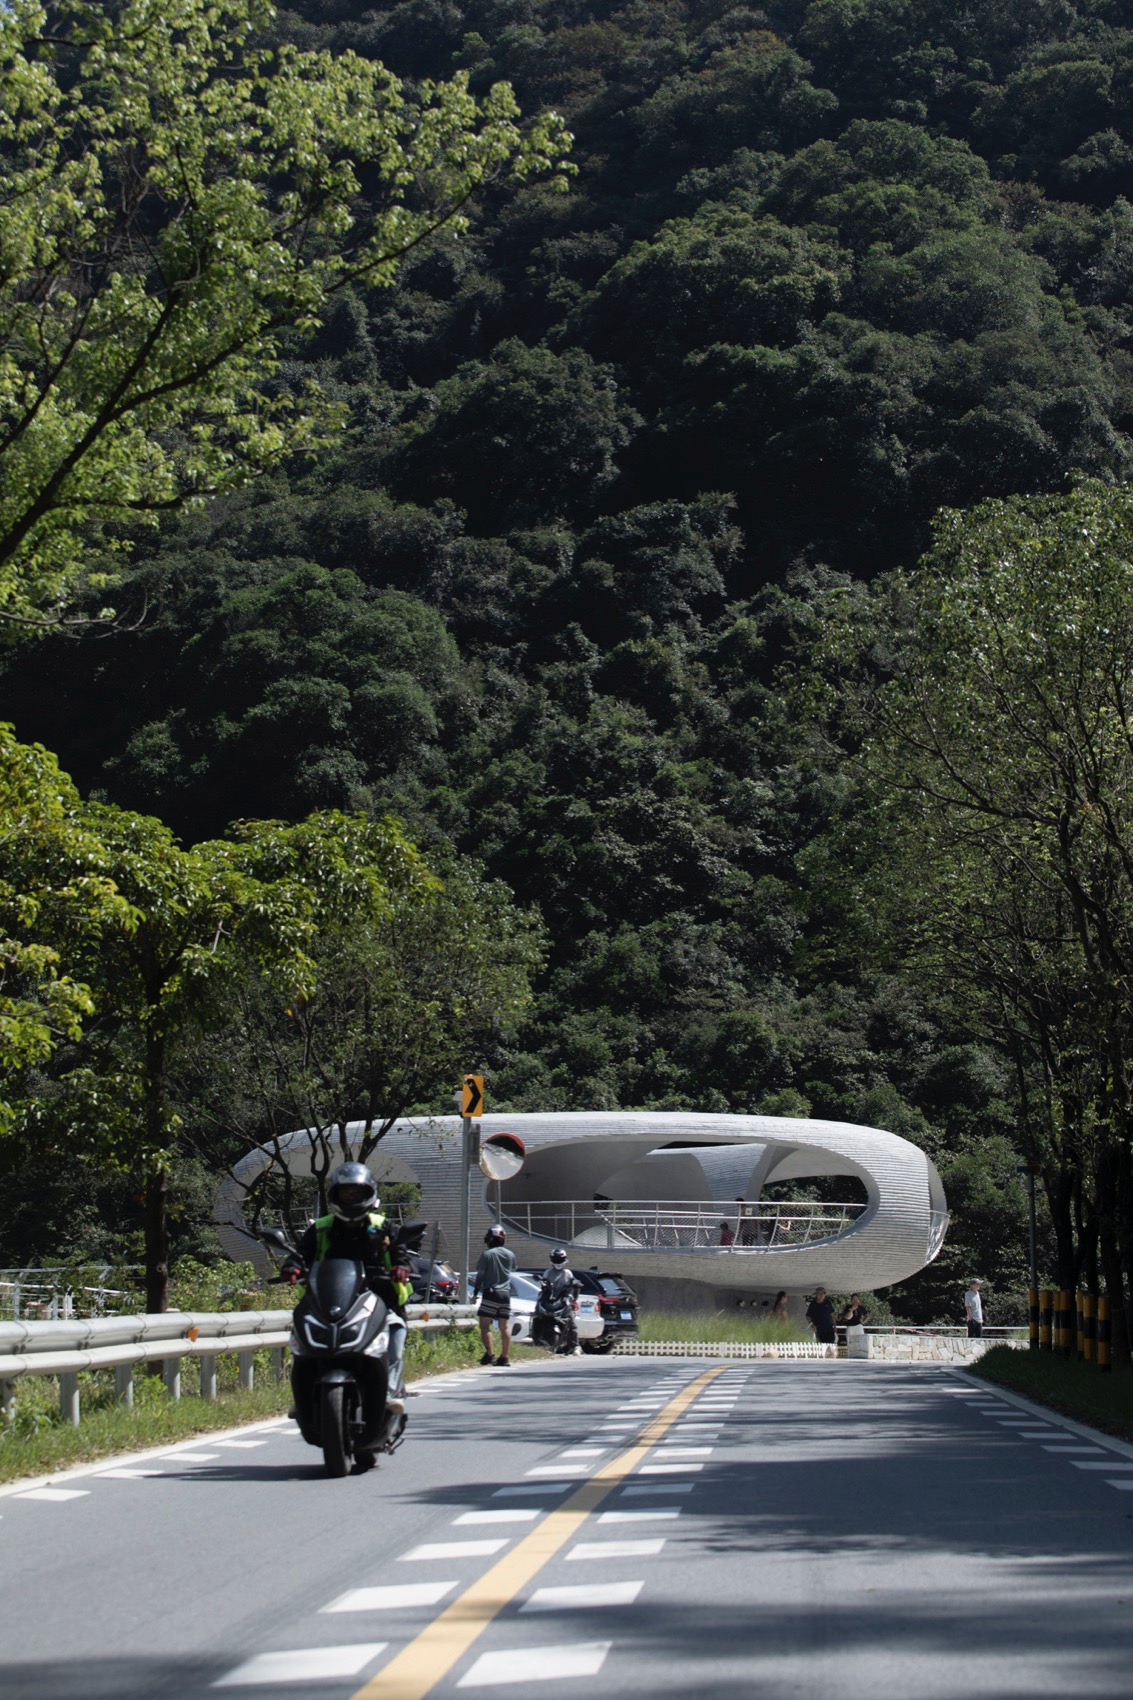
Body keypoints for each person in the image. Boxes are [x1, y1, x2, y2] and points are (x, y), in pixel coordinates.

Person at [285, 1161, 414, 1433]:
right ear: (335, 1195)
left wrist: (401, 1267)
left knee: (395, 1339)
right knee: (301, 1345)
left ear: (369, 1192)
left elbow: (401, 1251)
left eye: (356, 1192)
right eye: (345, 1193)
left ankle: (390, 1393)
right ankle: (304, 1398)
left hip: (380, 1300)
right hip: (328, 1303)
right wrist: (291, 1267)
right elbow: (300, 1254)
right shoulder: (321, 1227)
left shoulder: (382, 1226)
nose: (351, 1197)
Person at [473, 1224, 517, 1365]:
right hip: (505, 1294)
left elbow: (480, 1275)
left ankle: (490, 1354)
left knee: (485, 1325)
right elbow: (514, 1269)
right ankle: (504, 1357)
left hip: (491, 1293)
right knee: (504, 1327)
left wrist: (475, 1293)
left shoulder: (487, 1254)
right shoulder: (510, 1254)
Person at [537, 1247, 581, 1354]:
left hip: (564, 1300)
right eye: (556, 1259)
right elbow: (544, 1286)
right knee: (539, 1316)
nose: (558, 1262)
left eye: (560, 1260)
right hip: (551, 1300)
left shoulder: (568, 1273)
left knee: (571, 1321)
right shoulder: (547, 1272)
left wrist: (575, 1284)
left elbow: (574, 1283)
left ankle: (575, 1346)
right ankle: (539, 1341)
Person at [805, 1285, 837, 1356]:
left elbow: (833, 1315)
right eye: (819, 1294)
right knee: (821, 1347)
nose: (821, 1295)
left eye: (823, 1293)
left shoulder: (828, 1302)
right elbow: (808, 1316)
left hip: (829, 1329)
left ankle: (832, 1359)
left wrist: (835, 1326)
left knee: (831, 1346)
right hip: (819, 1329)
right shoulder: (813, 1304)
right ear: (816, 1295)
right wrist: (812, 1325)